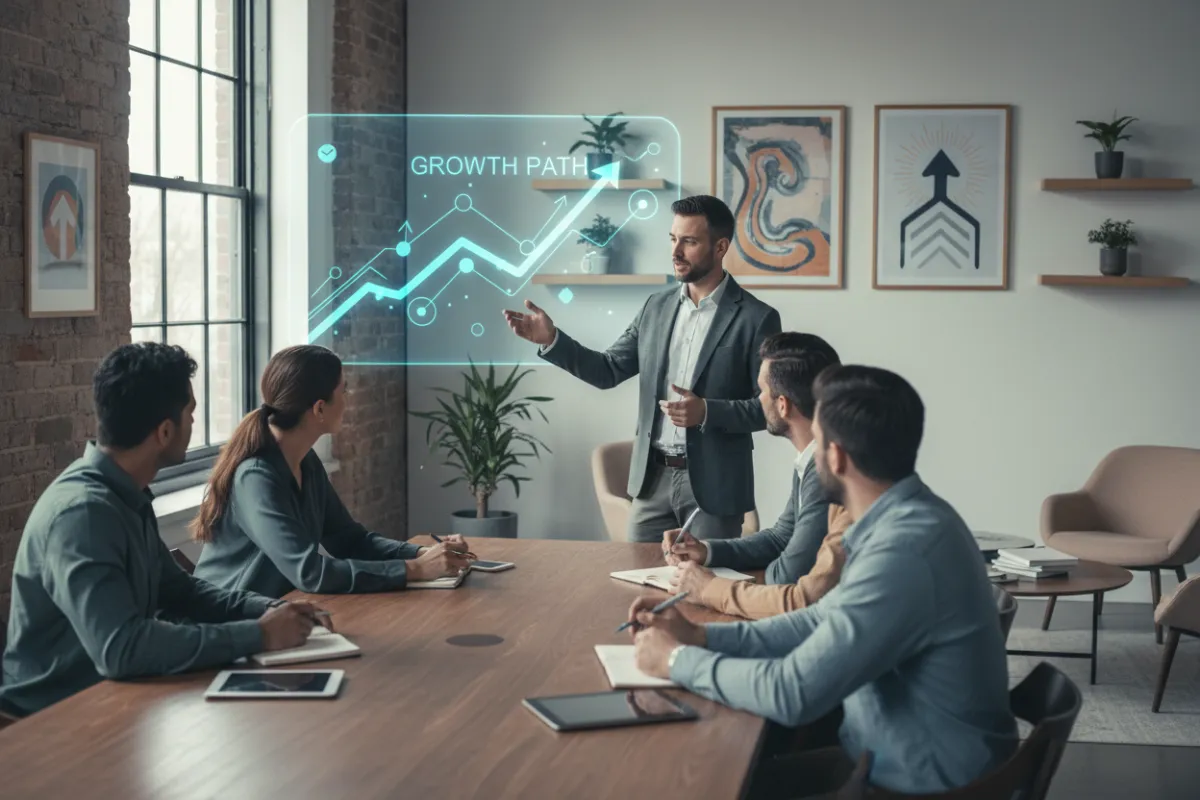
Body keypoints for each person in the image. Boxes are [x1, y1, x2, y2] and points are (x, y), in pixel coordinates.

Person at [626, 365, 1018, 797]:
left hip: (916, 785)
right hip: (887, 759)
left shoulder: (904, 552)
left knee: (694, 781)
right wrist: (700, 636)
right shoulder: (908, 520)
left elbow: (793, 693)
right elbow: (817, 621)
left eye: (816, 441)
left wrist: (676, 661)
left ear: (836, 457)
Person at [0, 343, 325, 719]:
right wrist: (260, 635)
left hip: (113, 704)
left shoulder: (125, 492)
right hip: (48, 723)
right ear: (165, 431)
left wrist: (271, 609)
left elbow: (180, 591)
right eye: (190, 414)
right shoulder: (83, 515)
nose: (193, 425)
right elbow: (122, 648)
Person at [504, 195, 782, 543]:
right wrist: (552, 340)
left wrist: (707, 412)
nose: (676, 251)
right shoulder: (656, 307)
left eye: (690, 241)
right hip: (651, 481)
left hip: (714, 488)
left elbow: (770, 410)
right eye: (672, 239)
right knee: (634, 582)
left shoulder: (757, 318)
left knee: (705, 588)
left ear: (720, 247)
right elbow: (608, 370)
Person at [191, 344, 470, 598]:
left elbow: (350, 541)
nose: (348, 400)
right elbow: (310, 573)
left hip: (276, 615)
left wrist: (426, 554)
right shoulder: (255, 477)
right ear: (320, 408)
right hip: (231, 626)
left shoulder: (305, 461)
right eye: (344, 391)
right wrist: (415, 569)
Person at [663, 332, 852, 620]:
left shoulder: (825, 470)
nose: (757, 399)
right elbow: (780, 539)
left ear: (783, 405)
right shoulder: (812, 457)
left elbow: (788, 575)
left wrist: (710, 587)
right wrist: (706, 551)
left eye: (761, 391)